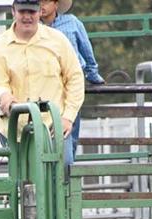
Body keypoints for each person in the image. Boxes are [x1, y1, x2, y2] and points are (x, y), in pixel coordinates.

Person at [0, 0, 84, 163]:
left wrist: (68, 117)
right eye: (22, 11)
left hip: (54, 126)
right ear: (13, 11)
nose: (27, 17)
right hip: (15, 130)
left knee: (61, 176)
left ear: (39, 12)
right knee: (21, 182)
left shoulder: (58, 40)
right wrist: (4, 96)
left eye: (31, 12)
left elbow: (75, 77)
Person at [39, 0, 105, 163]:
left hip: (70, 81)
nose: (41, 5)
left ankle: (67, 170)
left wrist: (92, 73)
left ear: (56, 4)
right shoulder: (34, 28)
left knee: (70, 128)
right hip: (45, 82)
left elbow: (86, 48)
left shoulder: (72, 23)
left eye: (46, 1)